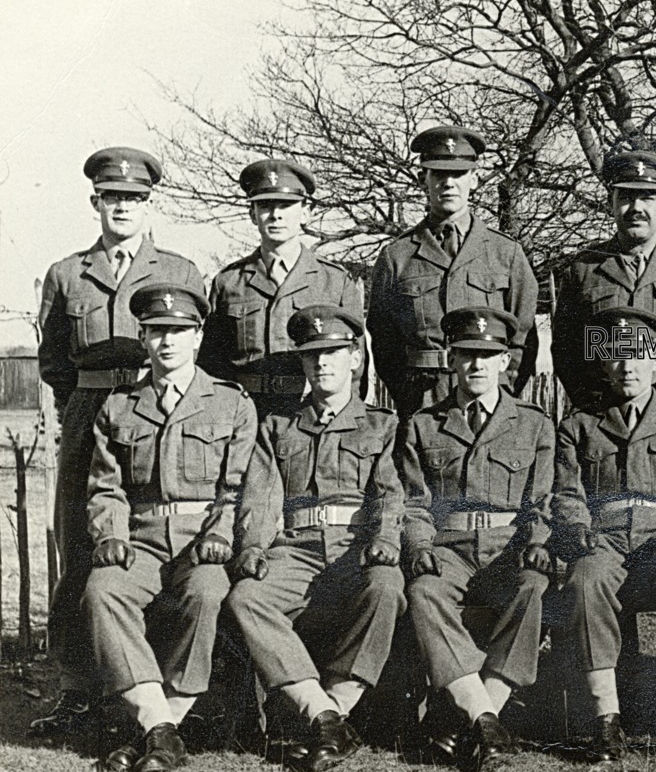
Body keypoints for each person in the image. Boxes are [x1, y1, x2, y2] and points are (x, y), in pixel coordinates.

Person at [33, 148, 205, 736]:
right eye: (112, 197)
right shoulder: (66, 273)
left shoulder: (180, 272)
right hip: (88, 418)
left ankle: (162, 686)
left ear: (149, 203)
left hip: (157, 417)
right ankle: (78, 689)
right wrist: (82, 408)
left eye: (133, 198)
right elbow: (54, 361)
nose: (122, 207)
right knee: (83, 550)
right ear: (96, 203)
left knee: (159, 541)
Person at [80, 284, 256, 772]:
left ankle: (158, 729)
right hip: (141, 540)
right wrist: (110, 533)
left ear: (198, 338)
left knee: (204, 594)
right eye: (157, 331)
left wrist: (221, 533)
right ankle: (162, 728)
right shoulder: (119, 406)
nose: (168, 342)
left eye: (179, 331)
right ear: (144, 337)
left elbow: (237, 487)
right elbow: (105, 486)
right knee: (101, 592)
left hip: (203, 541)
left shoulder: (230, 403)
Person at [226, 305, 406, 772]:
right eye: (312, 356)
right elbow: (262, 498)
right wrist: (252, 547)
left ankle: (337, 707)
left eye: (334, 352)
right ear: (302, 365)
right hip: (295, 547)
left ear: (355, 359)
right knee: (246, 598)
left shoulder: (383, 426)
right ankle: (324, 716)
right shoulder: (278, 426)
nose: (323, 363)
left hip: (355, 546)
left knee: (386, 588)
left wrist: (385, 538)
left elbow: (390, 492)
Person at [551, 307, 656, 760]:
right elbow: (566, 492)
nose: (628, 365)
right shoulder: (579, 425)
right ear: (604, 363)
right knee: (585, 581)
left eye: (638, 354)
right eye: (617, 355)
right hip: (603, 538)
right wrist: (576, 526)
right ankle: (607, 719)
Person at [397, 306, 555, 771]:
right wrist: (421, 546)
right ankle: (488, 721)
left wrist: (538, 540)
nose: (477, 365)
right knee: (424, 591)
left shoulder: (533, 423)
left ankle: (472, 717)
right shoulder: (423, 425)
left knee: (532, 589)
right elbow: (414, 502)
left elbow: (542, 499)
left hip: (509, 548)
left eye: (489, 355)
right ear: (451, 359)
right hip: (449, 550)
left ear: (506, 361)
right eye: (467, 354)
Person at [368, 126, 539, 415]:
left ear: (474, 179)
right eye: (438, 174)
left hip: (489, 399)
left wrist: (503, 386)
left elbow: (523, 336)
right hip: (423, 401)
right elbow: (383, 342)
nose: (448, 183)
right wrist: (409, 393)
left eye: (458, 174)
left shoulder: (506, 253)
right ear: (425, 179)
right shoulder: (396, 256)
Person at [552, 151, 656, 413]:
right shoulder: (585, 270)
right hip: (605, 416)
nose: (636, 209)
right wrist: (592, 406)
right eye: (627, 197)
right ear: (611, 203)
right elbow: (567, 352)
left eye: (648, 198)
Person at [200, 159, 365, 419]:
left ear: (306, 212)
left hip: (309, 415)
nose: (276, 214)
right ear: (252, 214)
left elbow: (355, 366)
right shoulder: (229, 282)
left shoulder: (335, 281)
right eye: (265, 205)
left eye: (286, 205)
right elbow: (212, 365)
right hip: (246, 415)